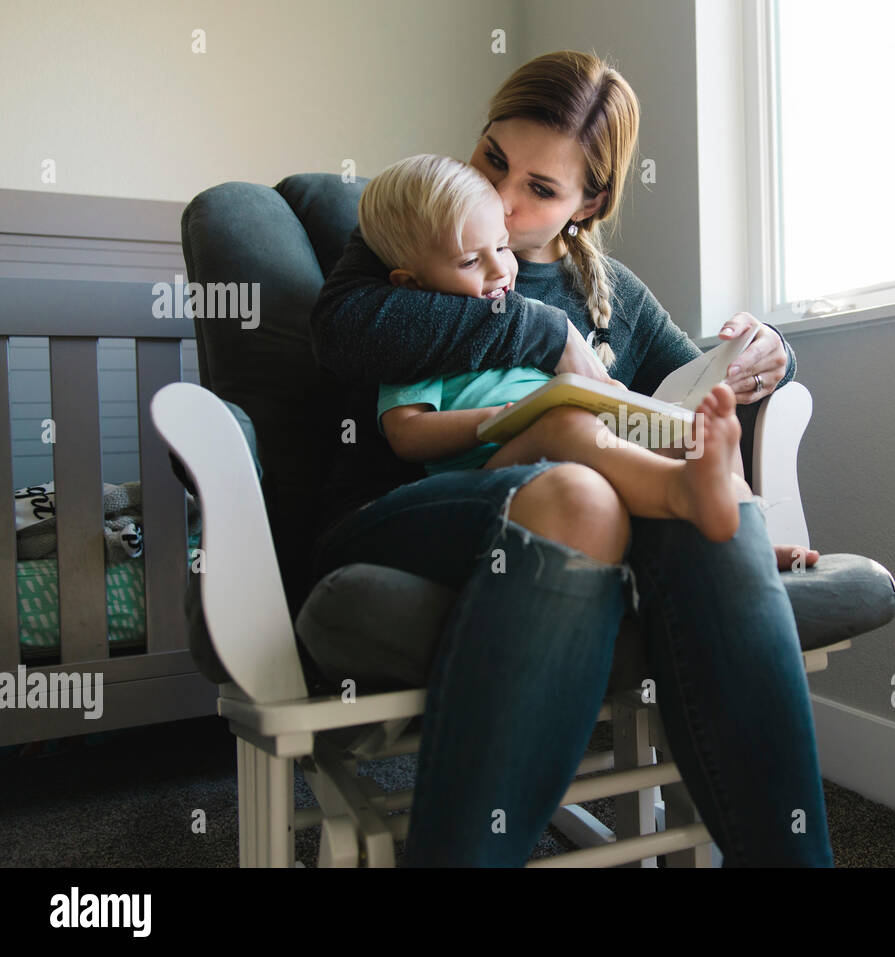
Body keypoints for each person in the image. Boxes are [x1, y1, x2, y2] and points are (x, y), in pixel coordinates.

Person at [309, 50, 832, 866]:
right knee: (584, 492)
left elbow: (688, 390)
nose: (506, 204)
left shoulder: (609, 291)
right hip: (403, 509)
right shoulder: (416, 227)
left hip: (568, 508)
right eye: (494, 160)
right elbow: (346, 334)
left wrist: (768, 356)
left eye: (542, 190)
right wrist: (545, 333)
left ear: (589, 202)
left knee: (706, 513)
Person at [359, 152, 753, 543]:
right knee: (560, 423)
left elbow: (585, 384)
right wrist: (501, 418)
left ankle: (750, 532)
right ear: (411, 285)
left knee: (690, 429)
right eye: (468, 262)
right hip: (488, 469)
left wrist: (616, 401)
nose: (498, 270)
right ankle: (680, 493)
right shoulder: (417, 337)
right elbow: (406, 434)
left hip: (575, 446)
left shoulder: (534, 315)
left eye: (500, 248)